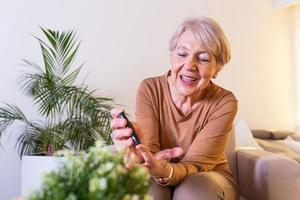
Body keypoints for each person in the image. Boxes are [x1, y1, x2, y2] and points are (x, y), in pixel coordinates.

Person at [110, 17, 238, 200]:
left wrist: (166, 170)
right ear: (171, 55)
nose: (190, 65)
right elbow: (150, 151)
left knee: (192, 192)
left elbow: (197, 164)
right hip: (156, 173)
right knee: (147, 192)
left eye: (203, 59)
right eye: (182, 54)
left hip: (209, 176)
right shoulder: (150, 89)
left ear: (217, 68)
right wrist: (138, 155)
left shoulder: (225, 102)